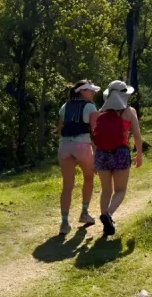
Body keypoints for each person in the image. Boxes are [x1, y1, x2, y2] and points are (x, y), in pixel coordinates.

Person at [91, 80, 143, 237]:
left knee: (106, 190)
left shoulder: (100, 113)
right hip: (120, 153)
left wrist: (95, 158)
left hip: (102, 154)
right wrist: (139, 154)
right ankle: (108, 214)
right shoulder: (129, 112)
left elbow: (94, 139)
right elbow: (137, 136)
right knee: (120, 190)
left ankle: (105, 225)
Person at [57, 80, 101, 235]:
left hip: (64, 146)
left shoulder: (65, 106)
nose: (93, 93)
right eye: (90, 91)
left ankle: (64, 222)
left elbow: (60, 130)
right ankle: (84, 213)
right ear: (82, 91)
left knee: (67, 185)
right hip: (82, 145)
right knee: (88, 178)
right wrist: (96, 154)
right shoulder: (90, 107)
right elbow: (95, 132)